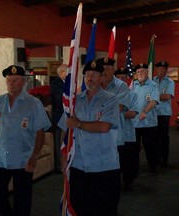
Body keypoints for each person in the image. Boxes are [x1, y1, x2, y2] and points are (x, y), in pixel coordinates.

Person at [0, 65, 51, 216]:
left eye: (15, 80)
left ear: (23, 82)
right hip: (0, 159)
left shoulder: (33, 103)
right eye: (8, 80)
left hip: (23, 159)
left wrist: (34, 156)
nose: (10, 83)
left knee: (22, 201)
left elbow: (40, 132)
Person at [58, 60, 120, 216]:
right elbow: (65, 130)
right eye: (87, 75)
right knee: (80, 207)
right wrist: (63, 155)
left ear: (101, 77)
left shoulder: (110, 99)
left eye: (94, 75)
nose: (90, 78)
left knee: (105, 208)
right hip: (79, 165)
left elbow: (104, 127)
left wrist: (78, 123)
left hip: (104, 165)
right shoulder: (75, 101)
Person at [131, 63, 160, 173]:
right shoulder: (133, 85)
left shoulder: (153, 85)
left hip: (149, 123)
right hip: (135, 123)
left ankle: (153, 167)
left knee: (151, 147)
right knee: (134, 148)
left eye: (142, 71)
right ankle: (134, 170)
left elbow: (154, 101)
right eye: (138, 72)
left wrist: (144, 111)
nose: (140, 73)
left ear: (147, 72)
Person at [115, 68, 139, 191]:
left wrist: (114, 113)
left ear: (127, 79)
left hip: (128, 133)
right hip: (114, 134)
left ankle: (128, 182)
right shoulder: (111, 94)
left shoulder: (133, 94)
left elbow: (133, 113)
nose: (121, 80)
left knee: (128, 161)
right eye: (118, 77)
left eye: (123, 77)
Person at [153, 61, 175, 167]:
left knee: (163, 137)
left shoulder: (170, 82)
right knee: (154, 138)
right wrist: (158, 96)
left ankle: (164, 160)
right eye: (159, 68)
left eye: (163, 68)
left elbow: (167, 96)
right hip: (153, 113)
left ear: (166, 70)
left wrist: (153, 97)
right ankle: (156, 159)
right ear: (156, 69)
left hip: (164, 114)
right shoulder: (152, 80)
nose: (161, 70)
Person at [50, 64, 68, 172]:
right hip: (59, 116)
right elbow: (59, 99)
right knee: (58, 141)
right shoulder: (56, 84)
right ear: (61, 73)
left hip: (67, 117)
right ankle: (58, 165)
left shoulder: (67, 83)